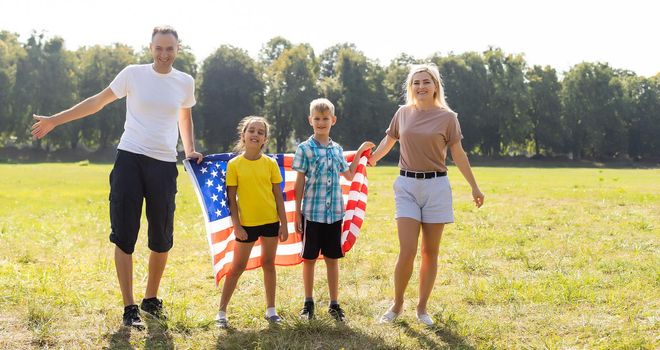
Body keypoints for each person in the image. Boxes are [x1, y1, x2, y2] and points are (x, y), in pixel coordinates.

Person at [31, 26, 203, 329]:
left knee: (162, 238)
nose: (164, 54)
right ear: (150, 47)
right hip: (130, 159)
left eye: (170, 49)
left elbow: (184, 116)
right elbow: (97, 101)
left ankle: (151, 299)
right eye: (159, 48)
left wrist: (189, 150)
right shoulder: (132, 74)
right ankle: (129, 306)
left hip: (164, 164)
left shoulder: (184, 82)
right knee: (124, 234)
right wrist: (55, 120)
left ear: (178, 49)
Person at [368, 64, 484, 326]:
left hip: (436, 187)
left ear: (435, 86)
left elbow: (459, 154)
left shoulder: (448, 117)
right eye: (416, 82)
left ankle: (422, 309)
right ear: (411, 87)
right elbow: (389, 141)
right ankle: (397, 305)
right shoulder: (402, 113)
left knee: (430, 252)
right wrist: (370, 161)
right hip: (407, 186)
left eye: (426, 82)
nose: (421, 87)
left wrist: (474, 187)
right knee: (407, 250)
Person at [292, 98, 374, 322]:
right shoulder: (304, 149)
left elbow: (348, 174)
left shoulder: (336, 149)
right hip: (312, 213)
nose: (321, 122)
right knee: (308, 259)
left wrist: (359, 153)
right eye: (317, 119)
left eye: (325, 119)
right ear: (310, 120)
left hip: (335, 214)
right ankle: (308, 303)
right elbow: (298, 183)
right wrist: (296, 213)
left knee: (332, 259)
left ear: (333, 120)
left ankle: (334, 303)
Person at [215, 116, 289, 329]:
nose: (255, 134)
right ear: (243, 135)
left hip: (270, 223)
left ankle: (271, 309)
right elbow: (231, 199)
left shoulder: (270, 164)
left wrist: (283, 224)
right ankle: (221, 312)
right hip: (246, 225)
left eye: (260, 132)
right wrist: (237, 226)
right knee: (237, 267)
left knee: (268, 264)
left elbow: (278, 196)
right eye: (252, 131)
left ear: (265, 139)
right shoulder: (234, 165)